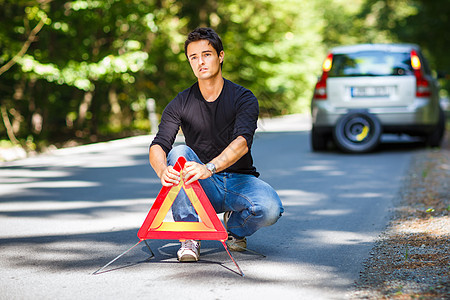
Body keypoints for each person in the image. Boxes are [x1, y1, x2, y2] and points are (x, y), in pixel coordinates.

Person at [149, 27, 284, 262]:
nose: (200, 61)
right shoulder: (180, 102)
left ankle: (234, 228)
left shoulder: (243, 97)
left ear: (220, 56)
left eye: (207, 54)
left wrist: (209, 167)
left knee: (270, 208)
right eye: (194, 57)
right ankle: (189, 236)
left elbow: (242, 142)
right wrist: (162, 170)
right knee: (179, 152)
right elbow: (159, 144)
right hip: (200, 186)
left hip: (238, 180)